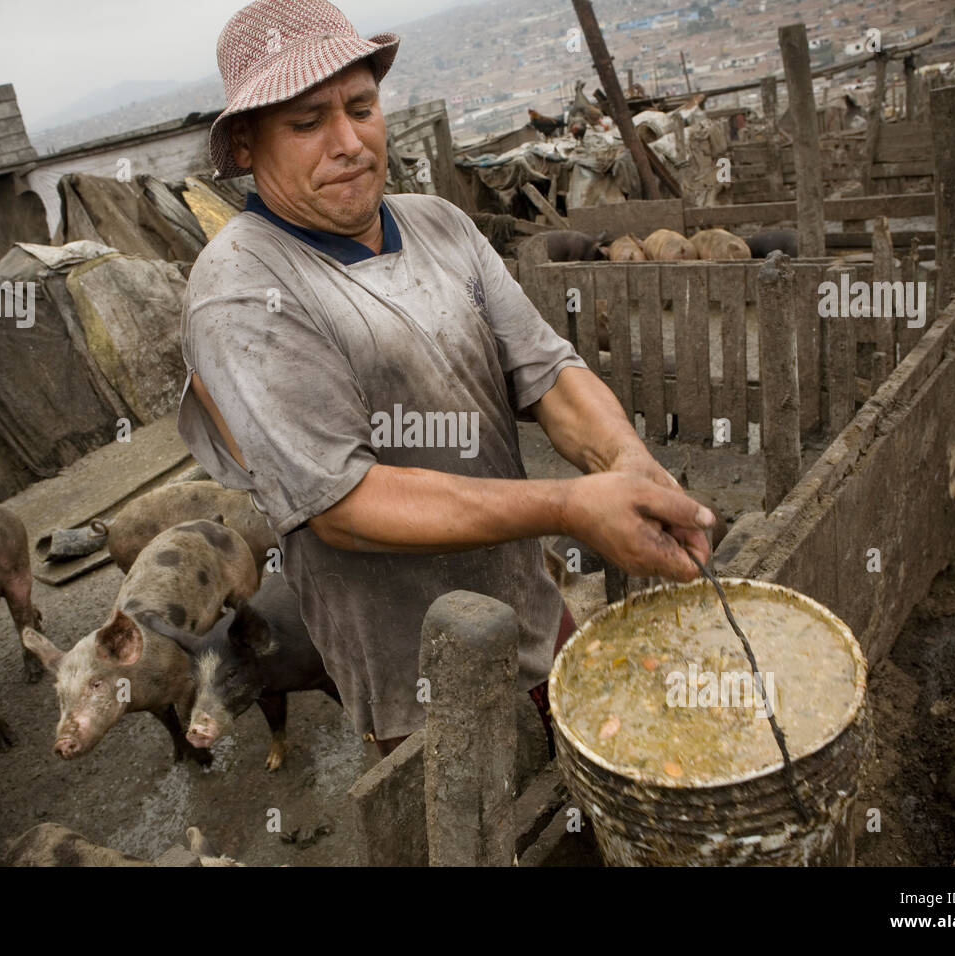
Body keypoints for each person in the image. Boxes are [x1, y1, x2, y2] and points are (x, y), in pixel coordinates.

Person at [178, 0, 716, 756]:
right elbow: (342, 504)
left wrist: (624, 463)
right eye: (307, 123)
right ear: (243, 145)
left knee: (591, 780)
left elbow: (548, 371)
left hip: (528, 605)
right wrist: (571, 504)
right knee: (473, 830)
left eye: (361, 108)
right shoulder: (241, 288)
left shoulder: (441, 225)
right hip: (418, 672)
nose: (348, 142)